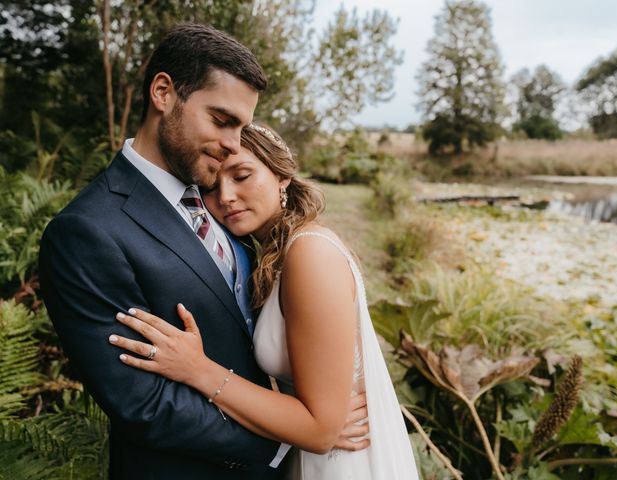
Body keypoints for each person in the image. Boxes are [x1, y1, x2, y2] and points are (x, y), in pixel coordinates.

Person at [39, 24, 365, 480]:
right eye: (222, 120)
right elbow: (142, 403)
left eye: (243, 127)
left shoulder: (218, 203)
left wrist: (311, 418)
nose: (234, 143)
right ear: (163, 93)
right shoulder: (86, 231)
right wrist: (292, 436)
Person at [108, 123, 420, 479]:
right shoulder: (269, 257)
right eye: (211, 186)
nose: (226, 196)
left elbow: (321, 431)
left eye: (242, 176)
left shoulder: (309, 253)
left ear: (281, 176)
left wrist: (198, 369)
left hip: (342, 462)